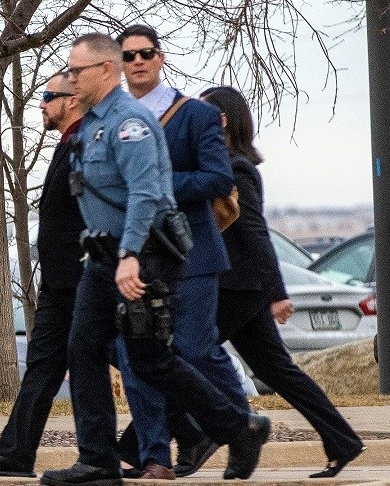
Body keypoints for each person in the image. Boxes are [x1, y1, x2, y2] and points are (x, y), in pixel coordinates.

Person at [40, 33, 270, 486]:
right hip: (103, 259)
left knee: (149, 360)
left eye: (76, 71)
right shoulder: (90, 124)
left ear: (105, 71)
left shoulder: (131, 123)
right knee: (83, 349)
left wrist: (128, 256)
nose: (70, 78)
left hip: (141, 257)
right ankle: (98, 461)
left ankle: (238, 427)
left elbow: (146, 195)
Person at [199, 85, 366, 479]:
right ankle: (342, 440)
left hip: (239, 289)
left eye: (202, 115)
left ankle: (190, 436)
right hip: (241, 287)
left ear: (221, 120)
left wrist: (277, 294)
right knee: (276, 370)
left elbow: (256, 232)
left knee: (185, 355)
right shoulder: (224, 165)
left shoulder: (236, 168)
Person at [112, 24, 250, 480]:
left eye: (145, 53)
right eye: (128, 55)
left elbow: (217, 179)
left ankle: (243, 430)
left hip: (190, 252)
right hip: (133, 255)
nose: (137, 62)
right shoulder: (110, 119)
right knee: (138, 360)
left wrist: (156, 186)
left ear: (161, 57)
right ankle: (155, 457)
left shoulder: (195, 115)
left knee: (195, 349)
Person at [0, 73, 87, 478]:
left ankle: (201, 423)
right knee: (41, 368)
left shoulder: (86, 144)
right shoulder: (65, 144)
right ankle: (15, 454)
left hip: (83, 280)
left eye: (48, 97)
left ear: (70, 100)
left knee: (139, 361)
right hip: (58, 282)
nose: (41, 104)